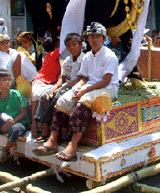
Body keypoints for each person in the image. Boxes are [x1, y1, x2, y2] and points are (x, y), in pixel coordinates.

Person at [34, 22, 118, 162]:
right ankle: (53, 139)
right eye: (92, 36)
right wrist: (76, 88)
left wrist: (84, 90)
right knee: (63, 100)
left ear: (104, 38)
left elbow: (106, 81)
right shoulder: (87, 56)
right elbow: (83, 78)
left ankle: (72, 146)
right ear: (87, 39)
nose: (95, 39)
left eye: (98, 36)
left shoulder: (110, 56)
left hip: (108, 89)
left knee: (82, 103)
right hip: (90, 85)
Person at [34, 33, 84, 142]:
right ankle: (45, 129)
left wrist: (60, 89)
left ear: (80, 45)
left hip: (77, 86)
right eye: (68, 45)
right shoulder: (67, 60)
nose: (71, 48)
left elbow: (79, 79)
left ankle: (56, 131)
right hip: (65, 85)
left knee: (58, 98)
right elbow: (63, 78)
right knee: (45, 95)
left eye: (74, 44)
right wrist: (55, 87)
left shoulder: (84, 59)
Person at [30, 37, 61, 138]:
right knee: (36, 95)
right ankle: (34, 124)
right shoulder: (53, 54)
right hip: (42, 81)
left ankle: (43, 128)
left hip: (51, 82)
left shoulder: (50, 55)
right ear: (56, 46)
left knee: (44, 96)